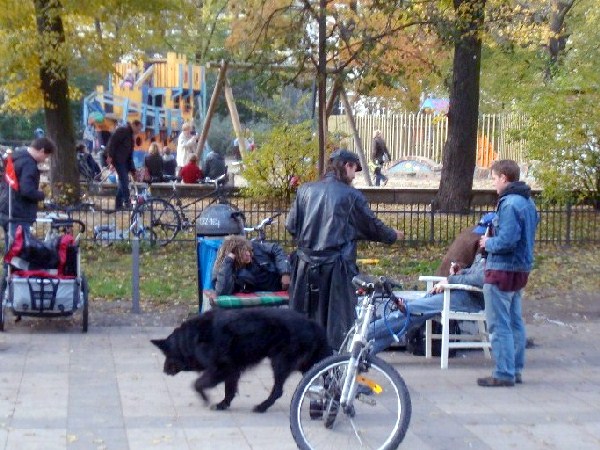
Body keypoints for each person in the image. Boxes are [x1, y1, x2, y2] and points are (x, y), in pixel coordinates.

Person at [286, 149, 403, 349]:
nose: (354, 175)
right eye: (354, 169)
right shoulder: (351, 196)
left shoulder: (305, 190)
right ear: (347, 166)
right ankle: (336, 370)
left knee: (307, 321)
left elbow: (291, 226)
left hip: (305, 268)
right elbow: (371, 225)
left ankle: (312, 368)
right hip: (336, 270)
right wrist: (393, 235)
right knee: (338, 325)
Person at [477, 159, 538, 387]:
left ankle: (504, 372)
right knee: (514, 321)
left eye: (494, 178)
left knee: (499, 323)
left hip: (502, 268)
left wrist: (487, 242)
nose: (493, 183)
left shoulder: (510, 204)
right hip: (520, 268)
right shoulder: (528, 203)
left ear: (504, 177)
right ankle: (515, 369)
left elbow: (507, 240)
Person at [368, 245, 488, 355]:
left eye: (485, 233)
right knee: (412, 315)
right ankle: (367, 351)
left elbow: (481, 278)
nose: (482, 236)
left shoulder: (495, 257)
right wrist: (459, 272)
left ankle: (365, 334)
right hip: (459, 293)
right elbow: (471, 274)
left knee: (411, 311)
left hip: (470, 299)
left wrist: (451, 281)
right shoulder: (483, 254)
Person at [0, 138, 56, 300]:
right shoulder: (29, 165)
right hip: (18, 212)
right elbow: (27, 190)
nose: (44, 160)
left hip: (7, 209)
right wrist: (41, 195)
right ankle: (13, 290)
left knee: (11, 249)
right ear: (42, 151)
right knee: (18, 252)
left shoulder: (18, 157)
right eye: (45, 157)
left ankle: (9, 286)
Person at [212, 235, 291, 296]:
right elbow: (222, 291)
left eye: (248, 250)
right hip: (261, 298)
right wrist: (228, 261)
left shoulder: (256, 247)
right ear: (235, 254)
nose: (248, 254)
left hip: (281, 284)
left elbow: (276, 248)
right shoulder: (226, 267)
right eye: (243, 252)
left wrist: (285, 273)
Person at [105, 119, 143, 209]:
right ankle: (127, 202)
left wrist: (133, 170)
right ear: (134, 125)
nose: (139, 131)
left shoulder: (131, 137)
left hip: (124, 161)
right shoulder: (123, 131)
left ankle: (118, 205)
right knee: (124, 180)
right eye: (139, 128)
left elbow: (130, 154)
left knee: (123, 182)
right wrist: (110, 155)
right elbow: (112, 142)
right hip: (118, 159)